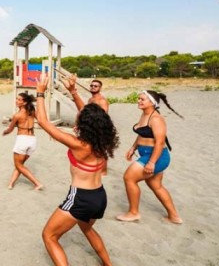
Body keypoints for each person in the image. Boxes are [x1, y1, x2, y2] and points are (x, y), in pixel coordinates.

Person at [35, 74, 119, 266]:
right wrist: (73, 91)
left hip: (80, 198)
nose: (78, 115)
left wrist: (40, 93)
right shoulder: (102, 139)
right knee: (87, 229)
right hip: (99, 196)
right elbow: (91, 115)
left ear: (84, 122)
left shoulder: (79, 144)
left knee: (49, 236)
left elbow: (43, 122)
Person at [116, 90, 183, 224]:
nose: (139, 101)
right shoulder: (144, 115)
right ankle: (174, 216)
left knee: (129, 178)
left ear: (152, 102)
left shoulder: (156, 118)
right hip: (147, 154)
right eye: (139, 99)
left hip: (157, 156)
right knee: (156, 185)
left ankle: (133, 213)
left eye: (142, 99)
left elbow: (160, 142)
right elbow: (142, 133)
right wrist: (133, 148)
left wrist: (151, 162)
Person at [62, 74, 110, 175]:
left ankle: (104, 171)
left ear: (100, 88)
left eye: (95, 86)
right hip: (90, 127)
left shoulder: (102, 100)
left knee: (101, 149)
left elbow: (103, 116)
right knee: (93, 148)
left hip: (99, 128)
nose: (93, 87)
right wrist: (78, 123)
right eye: (92, 85)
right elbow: (83, 112)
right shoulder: (91, 99)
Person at [2, 92, 42, 190]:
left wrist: (5, 132)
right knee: (20, 165)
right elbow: (41, 121)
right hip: (32, 140)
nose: (16, 101)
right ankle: (11, 183)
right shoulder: (32, 111)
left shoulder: (17, 115)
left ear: (24, 103)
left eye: (19, 99)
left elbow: (10, 129)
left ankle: (37, 183)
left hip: (22, 140)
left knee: (18, 165)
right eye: (16, 98)